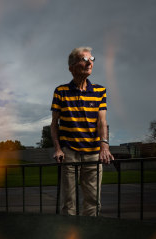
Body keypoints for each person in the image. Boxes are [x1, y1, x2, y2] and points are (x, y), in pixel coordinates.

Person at [50, 46, 114, 216]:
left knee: (93, 201)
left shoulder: (100, 91)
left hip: (93, 153)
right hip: (69, 152)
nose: (89, 63)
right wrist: (57, 148)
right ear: (71, 67)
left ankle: (89, 237)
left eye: (92, 59)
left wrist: (104, 146)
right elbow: (54, 124)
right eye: (84, 59)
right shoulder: (61, 91)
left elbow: (102, 121)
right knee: (68, 203)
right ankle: (69, 238)